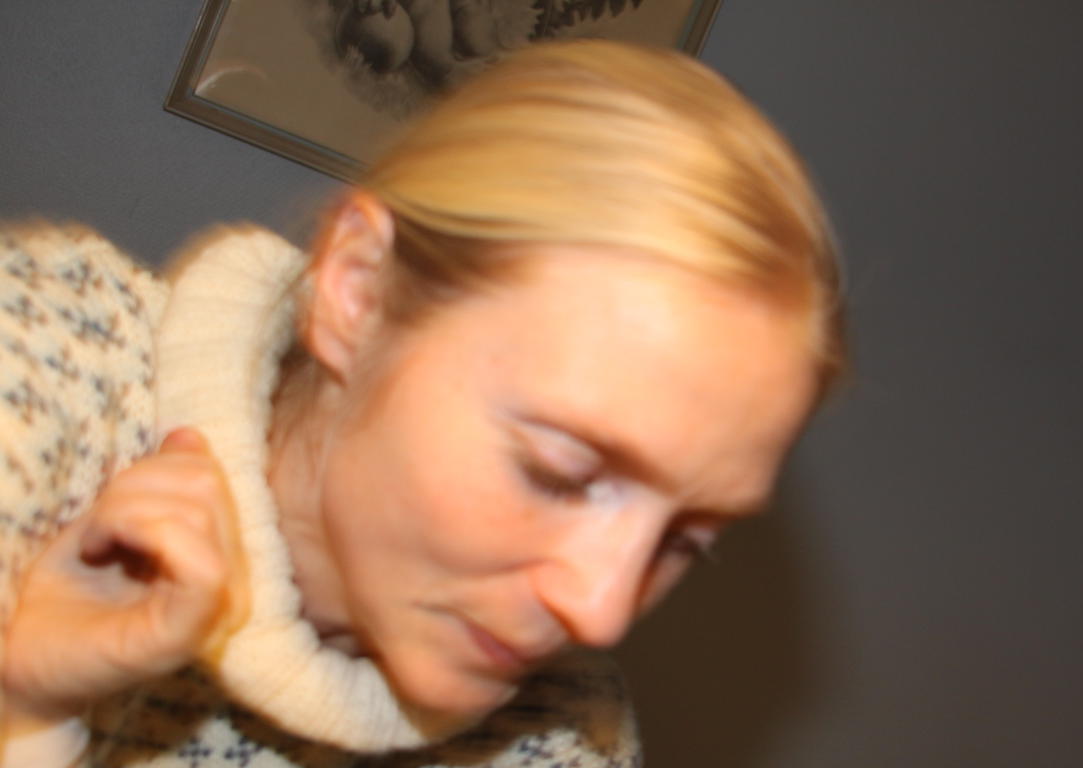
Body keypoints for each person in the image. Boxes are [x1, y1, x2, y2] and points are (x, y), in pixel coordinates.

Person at [0, 39, 842, 767]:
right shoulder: (45, 367)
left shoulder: (562, 740)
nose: (601, 613)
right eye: (557, 472)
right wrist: (22, 709)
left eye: (685, 542)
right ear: (358, 289)